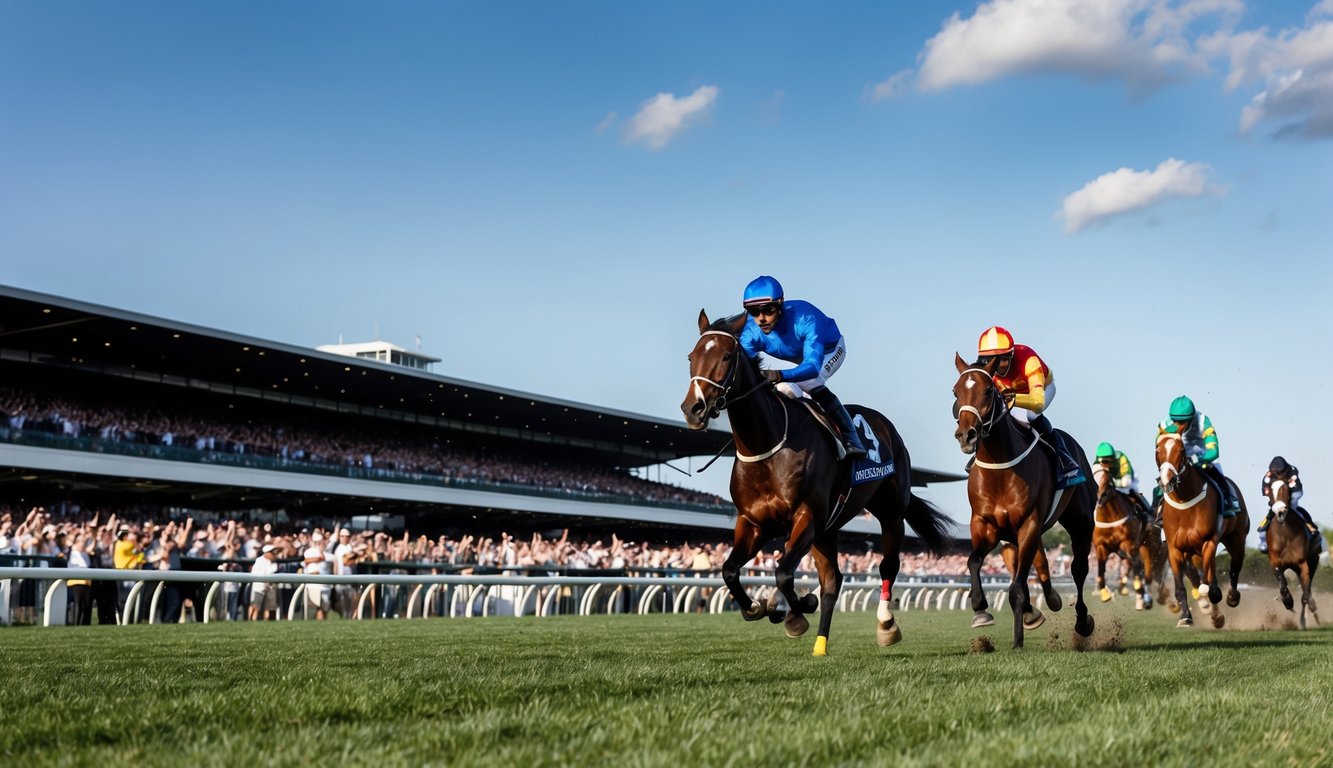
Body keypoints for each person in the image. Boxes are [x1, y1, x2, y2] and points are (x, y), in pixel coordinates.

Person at [737, 275, 867, 459]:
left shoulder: (805, 318)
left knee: (806, 382)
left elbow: (813, 367)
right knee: (783, 391)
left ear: (780, 305)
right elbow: (745, 371)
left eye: (767, 310)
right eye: (753, 312)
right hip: (801, 358)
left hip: (830, 349)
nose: (761, 319)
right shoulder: (751, 332)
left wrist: (779, 374)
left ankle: (851, 437)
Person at [974, 326, 1081, 481]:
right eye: (990, 360)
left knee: (1030, 416)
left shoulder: (1028, 360)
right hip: (1010, 395)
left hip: (1041, 390)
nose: (997, 365)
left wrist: (1014, 399)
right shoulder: (986, 369)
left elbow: (1037, 403)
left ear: (1011, 355)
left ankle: (1064, 458)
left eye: (1003, 359)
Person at [1156, 396, 1240, 517]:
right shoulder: (1165, 425)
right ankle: (1156, 511)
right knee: (1163, 482)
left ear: (1191, 419)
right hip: (1178, 459)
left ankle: (1229, 501)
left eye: (1182, 422)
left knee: (1218, 474)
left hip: (1202, 456)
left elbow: (1214, 451)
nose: (1177, 425)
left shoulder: (1203, 421)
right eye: (1174, 421)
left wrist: (1198, 458)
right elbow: (1159, 448)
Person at [1257, 456, 1320, 553]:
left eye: (1280, 472)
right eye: (1276, 473)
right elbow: (1266, 490)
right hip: (1276, 498)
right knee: (1270, 515)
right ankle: (1263, 539)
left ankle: (1310, 528)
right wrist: (1274, 501)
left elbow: (1294, 488)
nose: (1278, 474)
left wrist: (1286, 504)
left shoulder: (1292, 471)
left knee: (1294, 509)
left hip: (1294, 493)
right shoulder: (1268, 475)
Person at [1093, 442, 1153, 525]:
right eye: (1103, 461)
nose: (1105, 464)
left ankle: (1149, 514)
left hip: (1126, 480)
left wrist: (1111, 483)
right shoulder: (1096, 464)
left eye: (1108, 461)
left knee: (1132, 492)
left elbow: (1126, 483)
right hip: (1111, 483)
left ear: (1113, 457)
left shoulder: (1121, 459)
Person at [248, 544, 279, 621]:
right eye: (272, 553)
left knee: (268, 608)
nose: (274, 554)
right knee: (256, 607)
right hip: (259, 588)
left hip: (269, 588)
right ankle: (252, 621)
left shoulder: (271, 562)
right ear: (266, 553)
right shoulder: (259, 561)